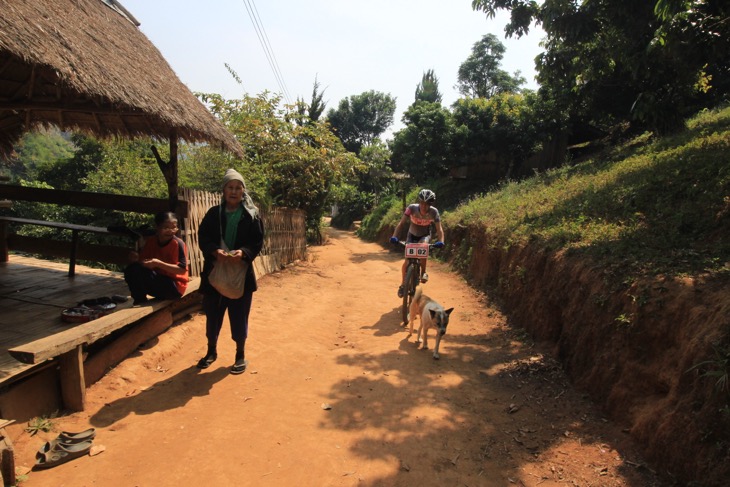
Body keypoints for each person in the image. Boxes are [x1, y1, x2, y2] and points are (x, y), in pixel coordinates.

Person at [196, 168, 264, 375]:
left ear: (243, 192)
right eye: (230, 187)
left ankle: (240, 354)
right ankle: (211, 351)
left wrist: (242, 253)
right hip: (215, 272)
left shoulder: (251, 217)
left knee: (239, 315)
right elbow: (203, 238)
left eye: (238, 188)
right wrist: (215, 251)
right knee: (213, 315)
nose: (234, 191)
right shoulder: (212, 215)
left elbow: (257, 241)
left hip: (240, 275)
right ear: (224, 191)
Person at [124, 211, 189, 306]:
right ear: (157, 227)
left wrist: (158, 263)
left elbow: (182, 270)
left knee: (137, 270)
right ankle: (139, 300)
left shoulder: (178, 244)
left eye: (174, 227)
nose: (171, 231)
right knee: (132, 269)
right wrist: (136, 259)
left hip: (175, 287)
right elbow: (143, 262)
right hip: (159, 281)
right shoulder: (151, 241)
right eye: (166, 228)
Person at [389, 188, 445, 298]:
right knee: (407, 260)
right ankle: (403, 285)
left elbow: (439, 229)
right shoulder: (411, 209)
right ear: (419, 202)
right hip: (411, 234)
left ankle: (423, 272)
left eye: (427, 204)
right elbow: (401, 224)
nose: (424, 206)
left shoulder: (434, 212)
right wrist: (394, 236)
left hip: (424, 235)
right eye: (422, 203)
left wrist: (441, 241)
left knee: (423, 247)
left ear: (430, 204)